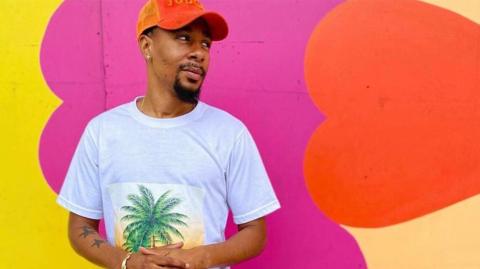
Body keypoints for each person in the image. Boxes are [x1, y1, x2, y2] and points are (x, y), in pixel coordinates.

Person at [56, 0, 280, 269]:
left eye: (205, 44)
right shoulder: (103, 132)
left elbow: (255, 231)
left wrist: (198, 257)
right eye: (184, 38)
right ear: (147, 46)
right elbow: (80, 228)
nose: (199, 53)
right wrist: (129, 262)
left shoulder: (229, 133)